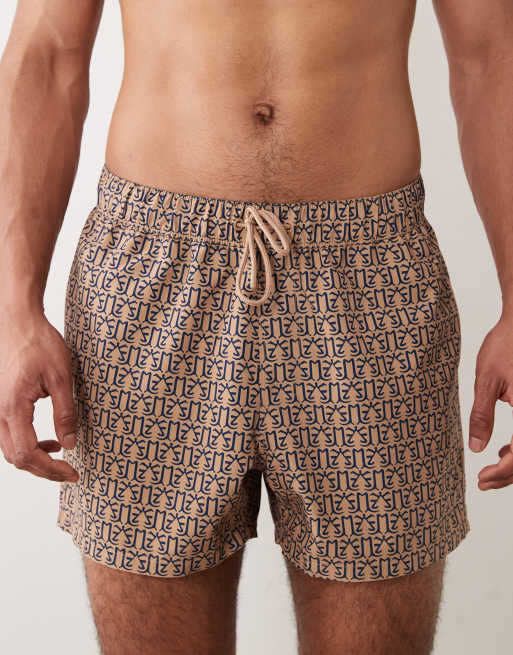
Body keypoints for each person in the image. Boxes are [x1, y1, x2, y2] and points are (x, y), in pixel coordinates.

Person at [0, 0, 512, 653]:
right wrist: (13, 306)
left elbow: (491, 55)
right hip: (152, 275)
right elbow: (46, 56)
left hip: (370, 277)